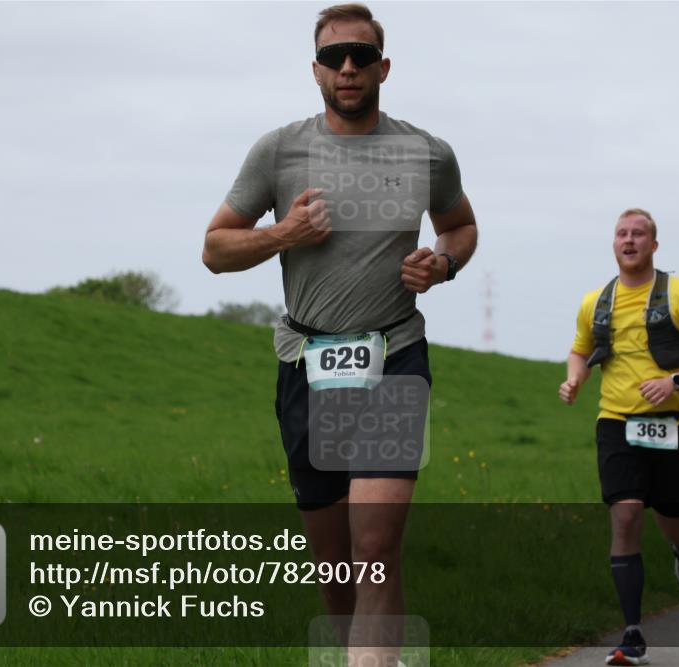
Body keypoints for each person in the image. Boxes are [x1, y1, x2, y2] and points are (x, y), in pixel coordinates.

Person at [202, 4, 478, 665]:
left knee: (375, 548)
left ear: (384, 67)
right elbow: (214, 249)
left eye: (361, 55)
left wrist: (441, 265)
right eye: (333, 57)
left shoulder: (426, 152)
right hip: (307, 363)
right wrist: (283, 233)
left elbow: (460, 226)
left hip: (393, 356)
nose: (347, 67)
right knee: (335, 569)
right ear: (316, 71)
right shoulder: (279, 151)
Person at [558, 209, 679, 666]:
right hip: (617, 423)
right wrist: (574, 379)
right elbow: (580, 351)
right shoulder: (596, 302)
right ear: (613, 243)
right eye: (622, 234)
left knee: (674, 516)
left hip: (676, 425)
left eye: (638, 234)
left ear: (654, 245)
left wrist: (675, 381)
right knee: (627, 513)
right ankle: (632, 634)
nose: (629, 240)